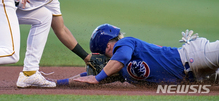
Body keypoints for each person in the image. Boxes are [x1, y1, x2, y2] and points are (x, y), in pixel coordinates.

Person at [72, 24, 219, 86]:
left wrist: (97, 78)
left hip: (194, 57)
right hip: (198, 77)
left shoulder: (125, 44)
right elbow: (84, 79)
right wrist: (56, 83)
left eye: (100, 54)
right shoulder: (121, 72)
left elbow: (121, 57)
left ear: (108, 46)